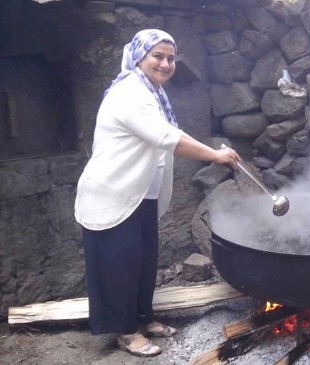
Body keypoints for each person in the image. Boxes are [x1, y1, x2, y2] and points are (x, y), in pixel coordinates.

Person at [74, 29, 240, 357]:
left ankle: (143, 318)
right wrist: (216, 155)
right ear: (140, 57)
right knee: (119, 265)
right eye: (157, 56)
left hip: (139, 194)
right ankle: (125, 331)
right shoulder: (128, 93)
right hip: (112, 193)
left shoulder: (151, 92)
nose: (165, 64)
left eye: (170, 58)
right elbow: (169, 138)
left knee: (142, 261)